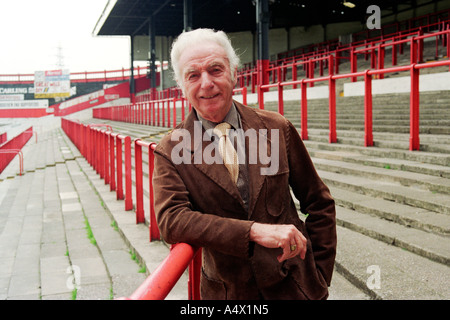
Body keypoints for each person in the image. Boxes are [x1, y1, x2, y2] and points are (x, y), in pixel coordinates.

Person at [153, 28, 337, 300]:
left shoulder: (277, 128)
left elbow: (319, 202)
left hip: (296, 288)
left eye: (215, 69)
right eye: (193, 75)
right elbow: (171, 221)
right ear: (181, 85)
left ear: (234, 72)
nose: (206, 83)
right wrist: (253, 232)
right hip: (229, 295)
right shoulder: (170, 150)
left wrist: (319, 275)